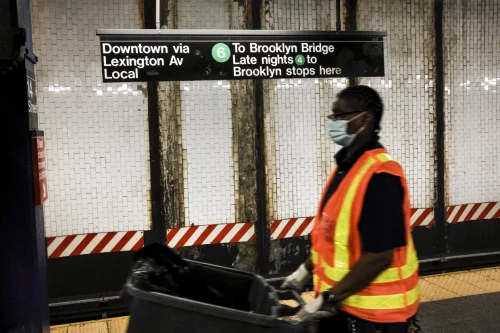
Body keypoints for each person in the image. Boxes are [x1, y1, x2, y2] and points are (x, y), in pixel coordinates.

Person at [282, 85, 421, 333]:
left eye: (340, 115)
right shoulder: (346, 167)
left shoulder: (381, 175)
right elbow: (336, 242)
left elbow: (380, 256)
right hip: (343, 311)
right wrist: (304, 271)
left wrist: (328, 298)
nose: (332, 122)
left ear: (365, 119)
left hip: (374, 319)